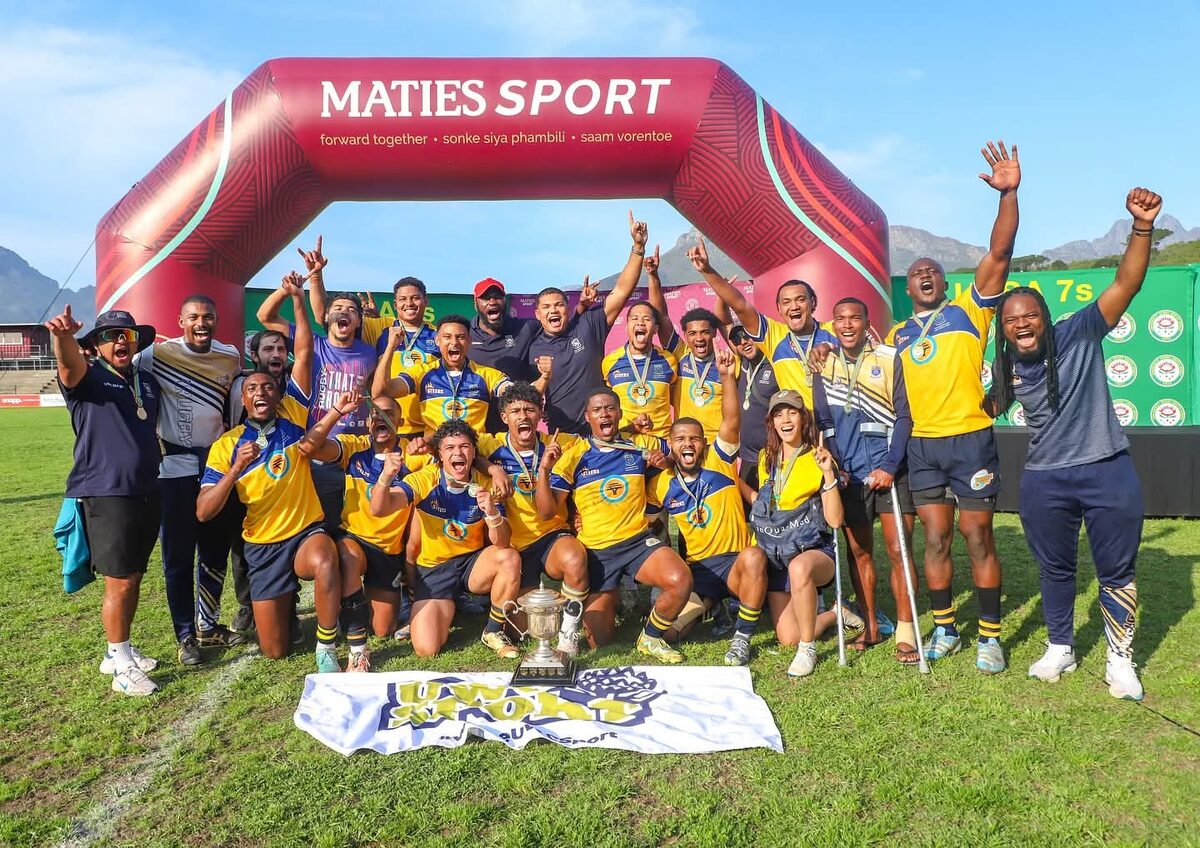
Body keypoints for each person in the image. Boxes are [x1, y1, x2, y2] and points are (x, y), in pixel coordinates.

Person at [990, 188, 1160, 701]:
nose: (1021, 322)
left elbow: (1126, 283)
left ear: (1044, 317)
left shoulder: (1079, 333)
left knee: (1116, 570)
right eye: (1011, 318)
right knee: (1055, 569)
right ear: (1004, 329)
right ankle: (1061, 644)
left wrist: (1142, 227)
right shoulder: (1006, 369)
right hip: (1045, 479)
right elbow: (966, 407)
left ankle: (1119, 657)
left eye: (1029, 314)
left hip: (1106, 468)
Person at [878, 140, 1020, 673]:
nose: (926, 276)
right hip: (923, 447)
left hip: (970, 440)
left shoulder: (969, 311)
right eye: (916, 273)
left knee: (976, 536)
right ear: (907, 286)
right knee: (935, 539)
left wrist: (1007, 196)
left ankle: (989, 636)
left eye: (933, 270)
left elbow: (1000, 252)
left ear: (943, 279)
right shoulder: (896, 335)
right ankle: (944, 629)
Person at [198, 373, 361, 672]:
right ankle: (286, 609)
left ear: (278, 397)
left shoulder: (294, 418)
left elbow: (303, 353)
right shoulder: (226, 445)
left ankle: (325, 647)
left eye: (268, 387)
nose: (260, 392)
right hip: (263, 546)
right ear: (243, 400)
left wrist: (337, 410)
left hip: (304, 533)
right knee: (274, 650)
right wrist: (236, 469)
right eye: (251, 389)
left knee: (325, 560)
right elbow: (203, 512)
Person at [49, 307, 163, 695]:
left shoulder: (145, 381)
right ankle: (121, 666)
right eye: (110, 335)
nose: (120, 341)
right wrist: (63, 337)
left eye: (126, 336)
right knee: (120, 581)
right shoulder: (89, 376)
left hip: (147, 489)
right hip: (108, 492)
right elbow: (67, 368)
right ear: (95, 345)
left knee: (133, 577)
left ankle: (119, 651)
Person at [538, 388, 694, 662]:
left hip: (637, 543)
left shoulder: (640, 445)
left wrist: (666, 460)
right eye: (597, 410)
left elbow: (682, 450)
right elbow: (547, 511)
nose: (604, 414)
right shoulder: (575, 456)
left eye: (610, 408)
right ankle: (594, 606)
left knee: (680, 580)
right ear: (587, 417)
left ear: (620, 413)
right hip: (598, 552)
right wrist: (543, 470)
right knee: (599, 640)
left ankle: (651, 637)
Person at [135, 294, 245, 666]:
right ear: (180, 321)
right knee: (178, 557)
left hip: (216, 466)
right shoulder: (155, 355)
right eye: (194, 317)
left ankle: (208, 624)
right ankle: (185, 634)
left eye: (208, 317)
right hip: (174, 469)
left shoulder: (230, 356)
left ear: (216, 321)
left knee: (215, 551)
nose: (202, 323)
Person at [812, 297, 920, 662]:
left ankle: (906, 631)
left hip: (890, 472)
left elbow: (904, 417)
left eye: (854, 318)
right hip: (850, 476)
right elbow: (824, 421)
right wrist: (837, 469)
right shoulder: (823, 362)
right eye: (839, 318)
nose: (846, 325)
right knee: (859, 552)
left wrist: (890, 466)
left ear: (865, 321)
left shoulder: (889, 357)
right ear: (832, 323)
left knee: (898, 551)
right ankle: (871, 626)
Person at [647, 348, 767, 665]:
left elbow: (730, 419)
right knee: (669, 633)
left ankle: (741, 638)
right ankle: (712, 606)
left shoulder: (720, 460)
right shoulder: (661, 483)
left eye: (695, 439)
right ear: (670, 444)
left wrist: (727, 377)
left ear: (704, 443)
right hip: (697, 570)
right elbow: (642, 518)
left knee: (755, 557)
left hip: (735, 564)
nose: (688, 444)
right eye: (681, 438)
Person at [368, 419, 523, 659]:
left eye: (464, 446)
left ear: (473, 452)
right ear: (440, 454)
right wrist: (386, 477)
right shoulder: (425, 479)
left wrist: (491, 513)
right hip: (434, 570)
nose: (457, 453)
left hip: (471, 565)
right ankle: (448, 605)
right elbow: (378, 509)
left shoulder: (485, 484)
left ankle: (493, 630)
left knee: (509, 557)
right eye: (450, 448)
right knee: (427, 649)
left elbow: (502, 542)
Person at [258, 252, 377, 534]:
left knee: (357, 528)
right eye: (338, 308)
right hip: (320, 449)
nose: (344, 312)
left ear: (359, 321)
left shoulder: (370, 352)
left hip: (359, 452)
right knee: (321, 526)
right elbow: (265, 316)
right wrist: (288, 290)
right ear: (326, 317)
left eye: (351, 310)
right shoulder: (311, 344)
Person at [477, 383, 590, 655]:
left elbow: (598, 439)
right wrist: (493, 469)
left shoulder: (562, 443)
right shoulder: (489, 444)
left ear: (540, 415)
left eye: (530, 410)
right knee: (524, 629)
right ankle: (544, 606)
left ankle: (568, 633)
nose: (523, 416)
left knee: (575, 557)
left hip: (551, 536)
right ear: (504, 418)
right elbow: (459, 446)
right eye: (515, 411)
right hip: (513, 548)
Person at [324, 395, 429, 666]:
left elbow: (449, 453)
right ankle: (357, 645)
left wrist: (426, 443)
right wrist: (337, 413)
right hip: (354, 539)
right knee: (347, 558)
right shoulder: (353, 447)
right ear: (368, 422)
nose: (380, 418)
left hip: (388, 551)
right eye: (375, 414)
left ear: (401, 422)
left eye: (389, 413)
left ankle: (348, 608)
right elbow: (311, 447)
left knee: (383, 628)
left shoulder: (413, 455)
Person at [746, 390, 844, 677]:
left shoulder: (818, 457)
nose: (785, 420)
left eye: (792, 413)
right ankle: (836, 614)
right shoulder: (766, 458)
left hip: (811, 554)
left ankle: (808, 649)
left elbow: (835, 520)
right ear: (772, 422)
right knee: (787, 636)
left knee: (800, 568)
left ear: (803, 418)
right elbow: (765, 502)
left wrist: (828, 474)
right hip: (776, 554)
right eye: (778, 414)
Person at [526, 212, 649, 435]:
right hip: (561, 438)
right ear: (537, 314)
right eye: (546, 307)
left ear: (567, 307)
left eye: (559, 305)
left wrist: (638, 248)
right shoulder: (532, 347)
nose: (553, 310)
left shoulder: (588, 324)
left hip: (600, 435)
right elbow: (525, 397)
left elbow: (622, 291)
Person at [687, 239, 837, 409]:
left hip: (836, 426)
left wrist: (831, 347)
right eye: (786, 302)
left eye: (800, 300)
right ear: (779, 309)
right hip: (800, 428)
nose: (793, 306)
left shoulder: (834, 329)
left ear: (813, 303)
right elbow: (740, 305)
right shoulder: (774, 336)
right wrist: (707, 270)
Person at [373, 314, 513, 436]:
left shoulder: (487, 374)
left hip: (475, 451)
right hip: (434, 451)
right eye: (447, 337)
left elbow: (516, 393)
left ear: (469, 341)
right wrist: (391, 347)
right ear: (437, 341)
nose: (454, 342)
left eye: (461, 337)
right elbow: (382, 391)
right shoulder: (422, 372)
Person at [601, 301, 679, 438]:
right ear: (627, 327)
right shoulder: (610, 362)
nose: (640, 323)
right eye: (634, 318)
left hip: (661, 441)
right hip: (625, 441)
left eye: (647, 319)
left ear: (655, 329)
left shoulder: (669, 361)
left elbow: (676, 397)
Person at [728, 324, 779, 489]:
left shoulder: (776, 363)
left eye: (748, 336)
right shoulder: (741, 363)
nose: (743, 342)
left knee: (779, 510)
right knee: (750, 513)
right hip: (748, 460)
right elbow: (721, 317)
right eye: (737, 339)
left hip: (775, 457)